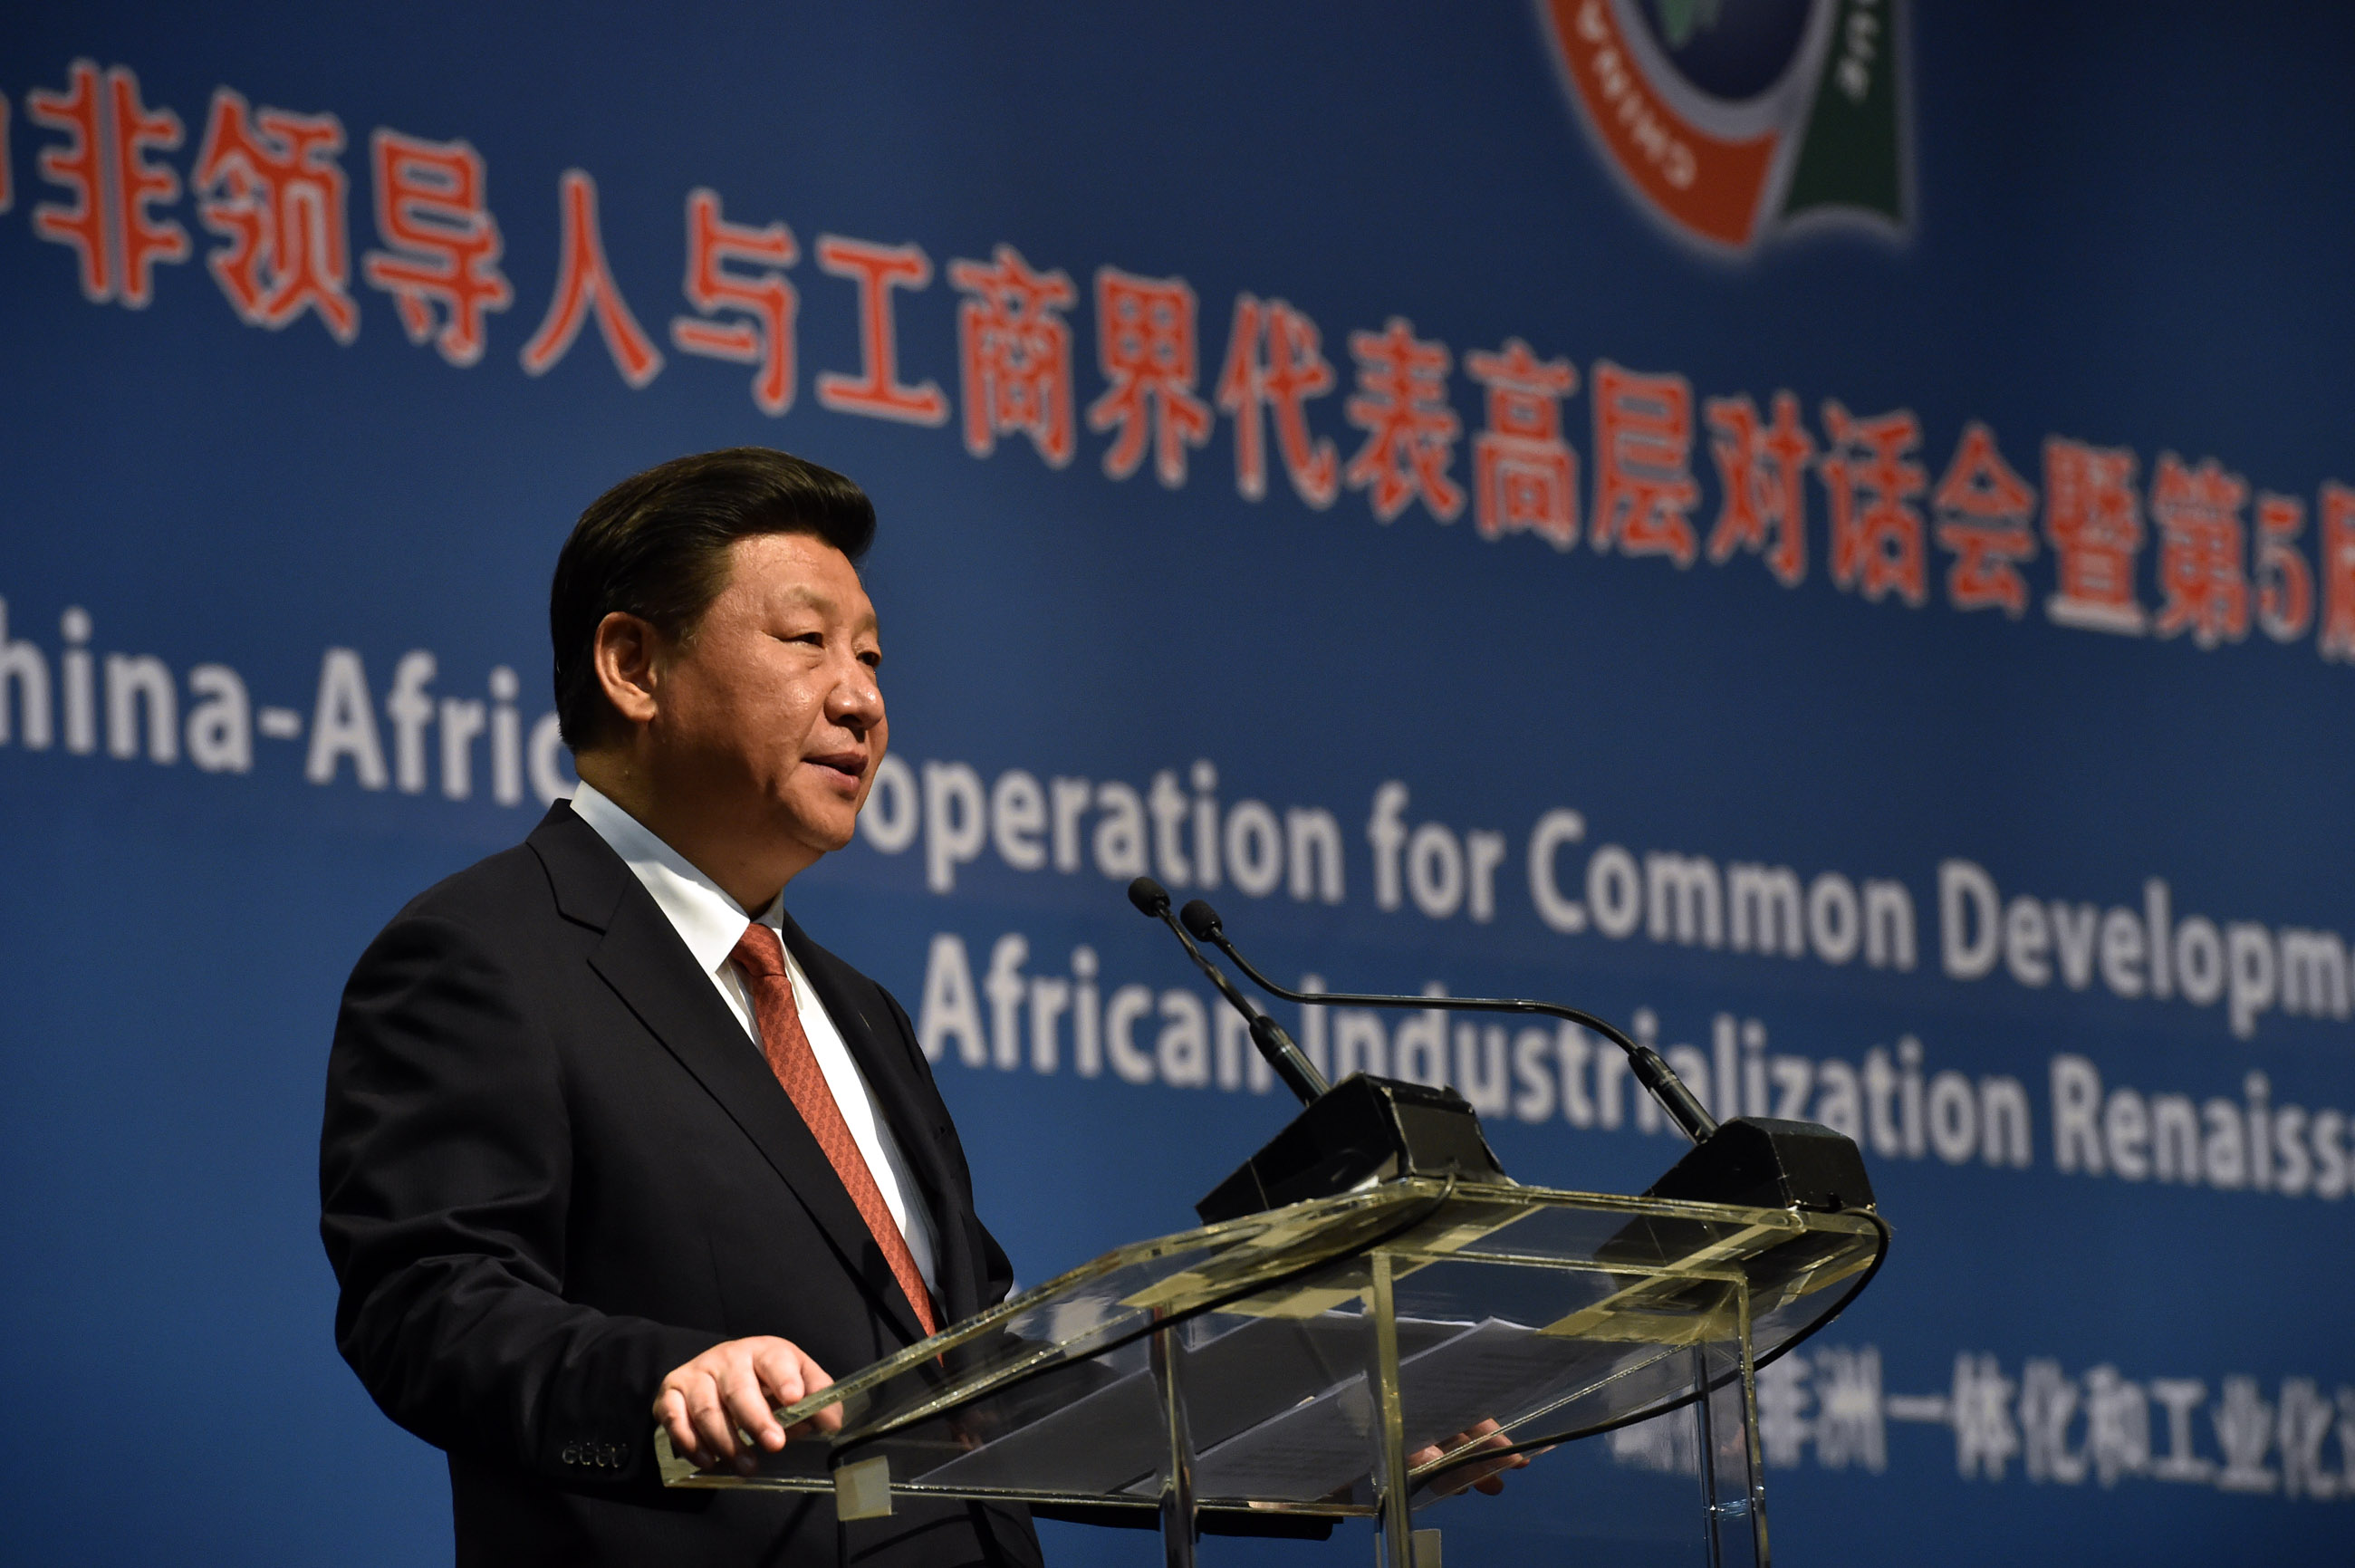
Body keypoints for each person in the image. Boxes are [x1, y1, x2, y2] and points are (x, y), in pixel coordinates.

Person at [320, 447, 1042, 1568]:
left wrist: (1327, 1418)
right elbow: (426, 1306)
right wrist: (658, 1379)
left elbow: (970, 1350)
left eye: (870, 657)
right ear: (632, 665)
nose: (861, 699)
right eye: (807, 644)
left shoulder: (861, 1013)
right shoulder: (485, 953)